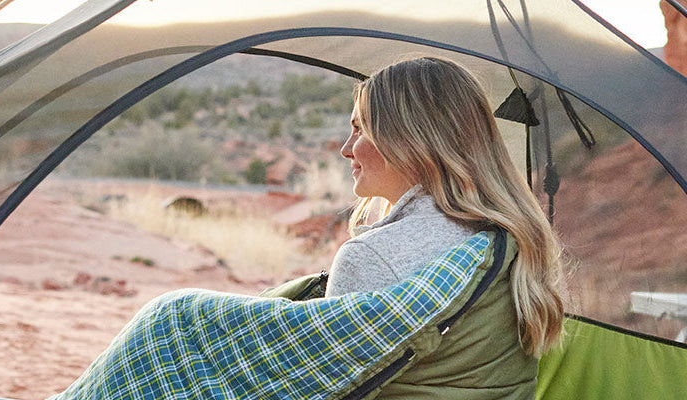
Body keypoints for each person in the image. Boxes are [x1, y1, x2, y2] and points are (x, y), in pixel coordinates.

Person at [51, 56, 565, 399]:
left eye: (360, 129)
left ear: (412, 139)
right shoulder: (508, 238)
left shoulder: (377, 258)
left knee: (170, 330)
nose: (346, 150)